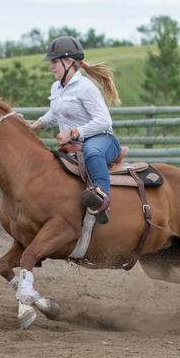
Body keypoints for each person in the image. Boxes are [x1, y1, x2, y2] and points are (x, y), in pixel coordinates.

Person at [29, 35, 122, 224]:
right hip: (73, 145)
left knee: (92, 152)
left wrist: (74, 133)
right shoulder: (57, 87)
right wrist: (32, 126)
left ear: (69, 62)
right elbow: (54, 114)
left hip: (102, 140)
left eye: (55, 61)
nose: (51, 66)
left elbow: (104, 121)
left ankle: (102, 199)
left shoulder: (86, 88)